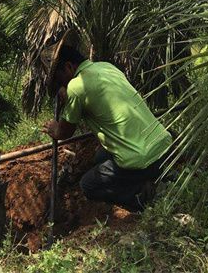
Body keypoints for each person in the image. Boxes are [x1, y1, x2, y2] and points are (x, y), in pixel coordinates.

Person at [41, 30, 172, 212]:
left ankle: (145, 199)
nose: (60, 84)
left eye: (58, 78)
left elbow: (64, 132)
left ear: (69, 67)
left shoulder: (76, 87)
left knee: (88, 185)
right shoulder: (105, 66)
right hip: (165, 147)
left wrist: (53, 127)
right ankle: (152, 177)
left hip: (141, 159)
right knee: (100, 157)